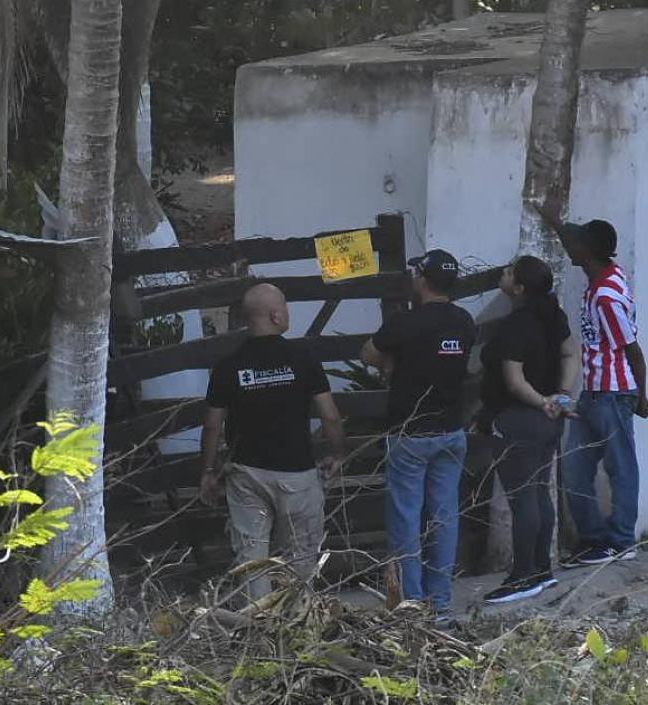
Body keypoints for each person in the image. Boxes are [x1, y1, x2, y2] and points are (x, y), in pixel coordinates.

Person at [200, 283, 347, 602]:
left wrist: (208, 471)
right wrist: (337, 453)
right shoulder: (303, 358)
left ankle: (259, 630)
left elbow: (212, 424)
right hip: (297, 473)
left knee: (252, 559)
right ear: (276, 315)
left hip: (247, 475)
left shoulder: (228, 366)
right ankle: (296, 624)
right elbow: (330, 416)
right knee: (301, 558)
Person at [361, 249, 476, 618]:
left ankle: (411, 603)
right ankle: (440, 602)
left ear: (422, 280)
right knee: (445, 518)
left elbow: (368, 353)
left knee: (407, 519)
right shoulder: (464, 321)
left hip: (410, 433)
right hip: (451, 431)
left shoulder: (405, 323)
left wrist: (396, 365)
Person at [475, 255, 580, 604]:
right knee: (538, 493)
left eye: (508, 273)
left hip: (518, 418)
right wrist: (561, 396)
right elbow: (570, 355)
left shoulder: (516, 325)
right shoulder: (554, 314)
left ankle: (522, 576)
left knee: (523, 499)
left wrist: (541, 402)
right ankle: (541, 570)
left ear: (518, 288)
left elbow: (514, 380)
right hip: (547, 421)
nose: (502, 275)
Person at [554, 219, 648, 567]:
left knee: (621, 468)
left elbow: (632, 350)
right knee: (575, 467)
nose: (571, 245)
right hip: (594, 393)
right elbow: (569, 236)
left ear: (588, 251)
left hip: (612, 394)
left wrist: (640, 397)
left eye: (577, 242)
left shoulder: (607, 296)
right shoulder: (600, 280)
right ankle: (594, 540)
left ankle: (622, 540)